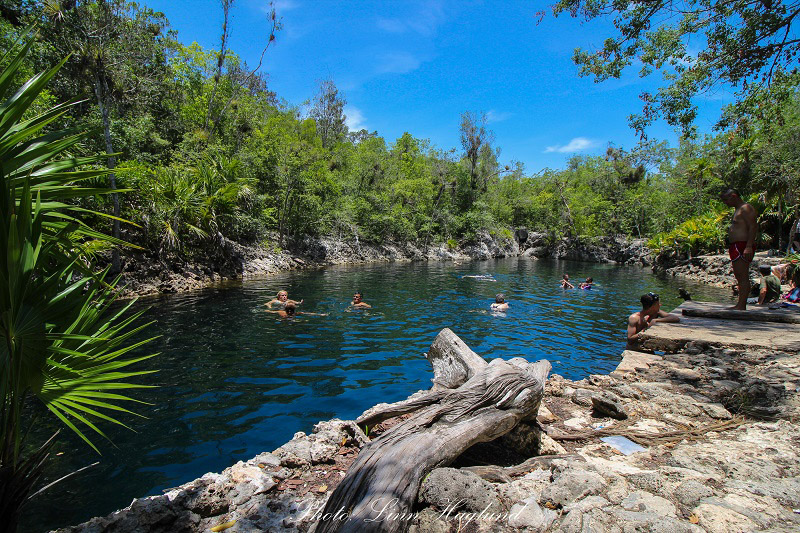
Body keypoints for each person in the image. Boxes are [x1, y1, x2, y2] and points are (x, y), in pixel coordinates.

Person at [720, 188, 757, 310]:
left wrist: (748, 246)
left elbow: (753, 227)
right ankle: (739, 304)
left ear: (734, 196)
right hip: (736, 246)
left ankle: (741, 305)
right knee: (739, 275)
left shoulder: (746, 208)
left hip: (743, 245)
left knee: (743, 275)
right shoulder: (737, 210)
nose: (725, 203)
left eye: (726, 200)